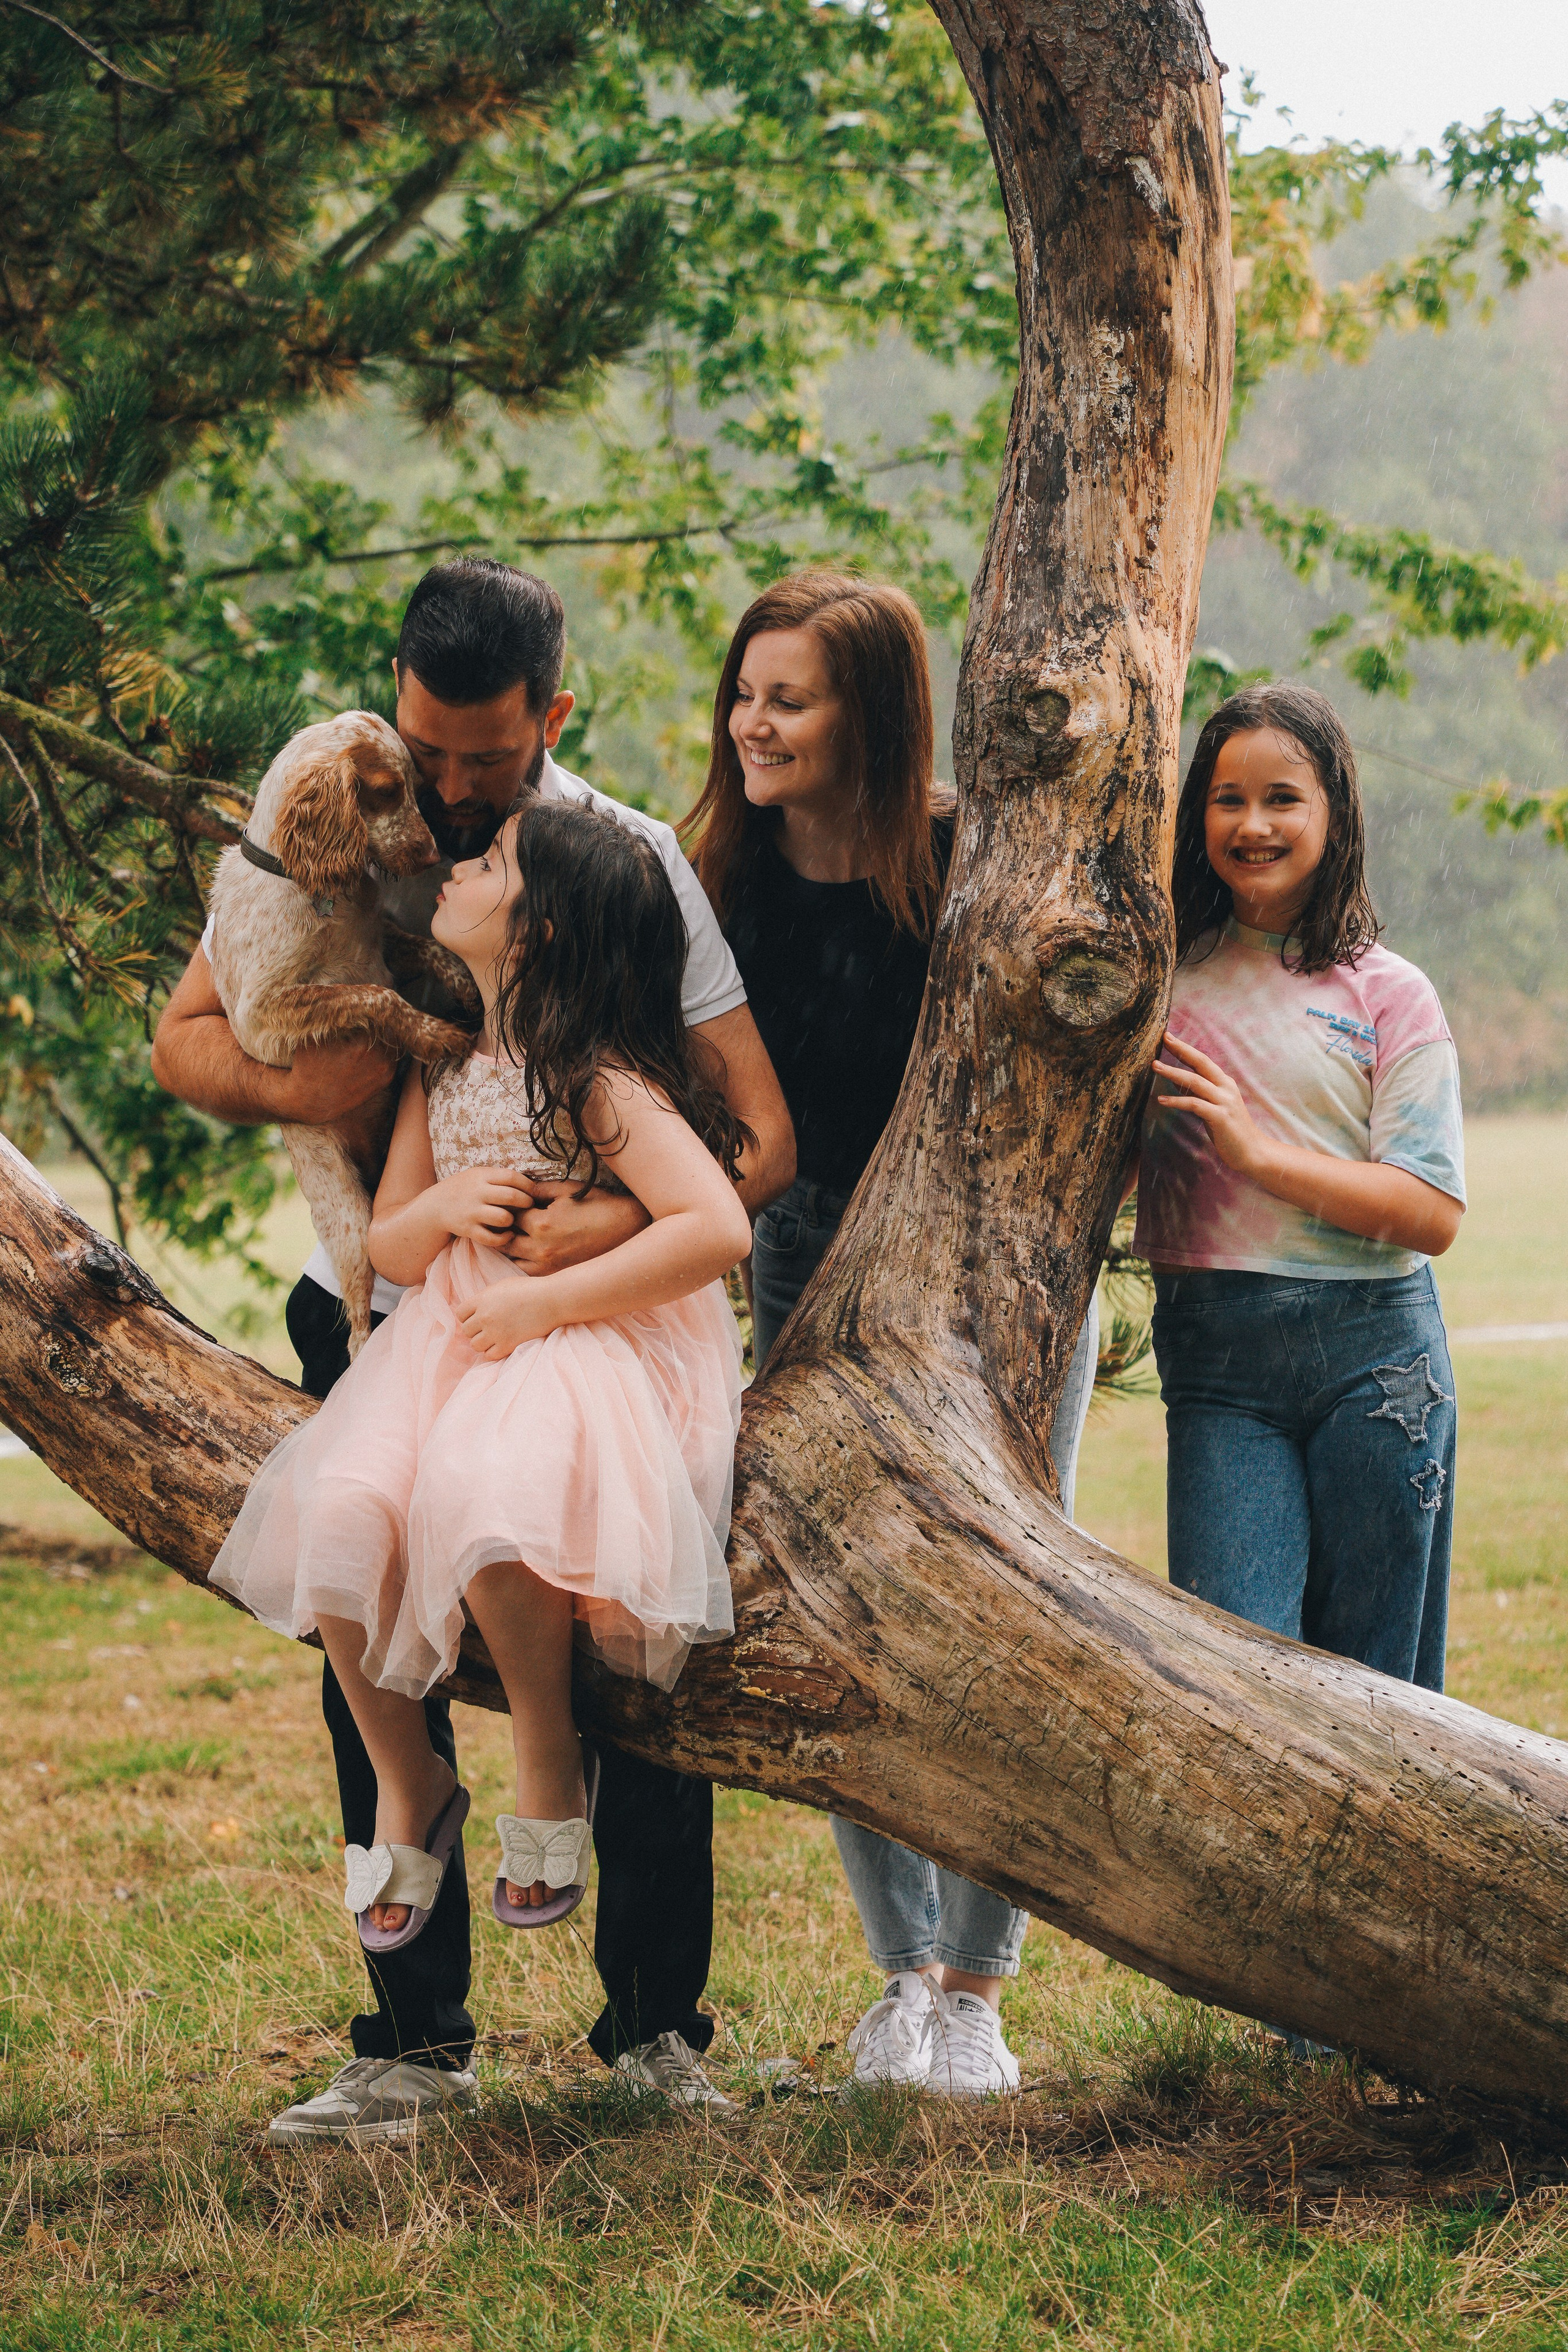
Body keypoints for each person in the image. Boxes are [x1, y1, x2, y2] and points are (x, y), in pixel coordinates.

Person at [153, 561, 794, 2141]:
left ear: (551, 720)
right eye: (426, 752)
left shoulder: (616, 865)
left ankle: (652, 2031)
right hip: (387, 1296)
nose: (443, 793)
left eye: (481, 765)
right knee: (363, 1613)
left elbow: (754, 1139)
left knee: (620, 1635)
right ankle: (410, 2043)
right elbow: (186, 1038)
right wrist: (350, 1105)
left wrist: (589, 1225)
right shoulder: (337, 811)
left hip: (575, 1309)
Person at [681, 571, 1100, 2099]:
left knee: (1014, 1609)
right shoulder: (715, 874)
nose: (753, 722)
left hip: (999, 1269)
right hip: (808, 1261)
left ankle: (977, 1989)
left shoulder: (961, 858)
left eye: (787, 697)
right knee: (838, 1608)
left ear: (870, 708)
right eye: (744, 692)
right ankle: (899, 1980)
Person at [210, 799, 754, 1958]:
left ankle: (549, 1768)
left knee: (491, 1505)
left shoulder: (596, 1075)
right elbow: (392, 1245)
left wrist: (548, 1300)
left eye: (494, 861)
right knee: (339, 1508)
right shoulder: (446, 1062)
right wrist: (445, 1210)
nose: (461, 865)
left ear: (541, 932)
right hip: (451, 1337)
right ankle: (413, 1785)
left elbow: (714, 1226)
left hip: (581, 1339)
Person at [1136, 682, 1465, 1694]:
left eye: (1284, 798)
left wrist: (1255, 1155)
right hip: (1218, 1368)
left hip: (1377, 1359)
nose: (1254, 824)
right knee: (1234, 1677)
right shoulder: (1155, 979)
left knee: (1378, 1688)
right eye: (1227, 799)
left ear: (1335, 814)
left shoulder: (1389, 991)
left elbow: (1431, 1211)